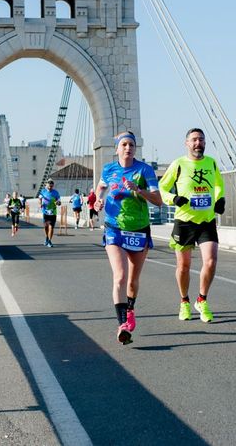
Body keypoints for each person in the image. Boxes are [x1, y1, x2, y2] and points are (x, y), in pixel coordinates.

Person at [93, 131, 162, 345]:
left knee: (132, 280)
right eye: (124, 144)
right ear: (117, 149)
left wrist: (139, 190)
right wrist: (97, 201)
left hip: (139, 229)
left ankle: (130, 309)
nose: (128, 148)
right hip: (114, 228)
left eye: (131, 145)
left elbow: (158, 200)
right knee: (120, 276)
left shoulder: (144, 170)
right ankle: (122, 324)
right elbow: (100, 188)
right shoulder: (109, 169)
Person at [158, 128, 225, 323]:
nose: (198, 143)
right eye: (194, 140)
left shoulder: (211, 163)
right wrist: (173, 198)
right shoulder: (178, 164)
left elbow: (219, 184)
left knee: (210, 261)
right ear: (187, 143)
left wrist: (220, 199)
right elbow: (162, 187)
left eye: (201, 140)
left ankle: (202, 300)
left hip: (206, 221)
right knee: (183, 266)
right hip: (184, 221)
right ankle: (184, 301)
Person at [38, 180, 61, 247]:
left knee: (51, 227)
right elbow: (39, 198)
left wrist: (58, 202)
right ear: (47, 185)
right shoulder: (43, 191)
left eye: (51, 186)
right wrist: (40, 204)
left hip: (53, 212)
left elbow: (59, 201)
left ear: (53, 186)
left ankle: (49, 241)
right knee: (46, 227)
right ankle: (47, 237)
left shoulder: (56, 192)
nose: (50, 187)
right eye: (49, 186)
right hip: (45, 212)